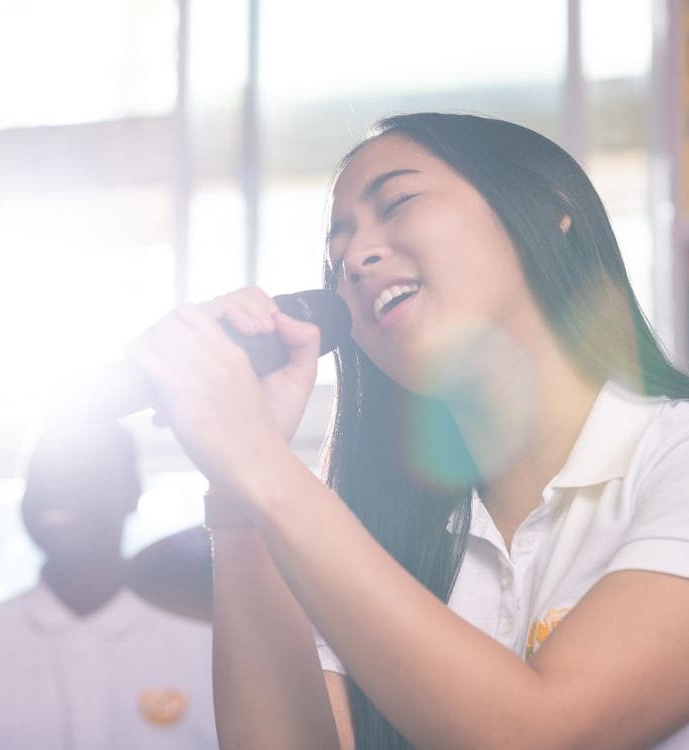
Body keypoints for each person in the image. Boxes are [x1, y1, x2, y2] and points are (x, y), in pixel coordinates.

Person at [126, 112, 689, 749]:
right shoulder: (372, 540)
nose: (355, 260)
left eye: (398, 202)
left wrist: (262, 467)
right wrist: (236, 494)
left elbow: (545, 733)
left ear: (549, 210)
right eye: (338, 255)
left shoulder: (673, 456)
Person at [0, 417, 218, 750]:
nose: (56, 492)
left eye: (83, 475)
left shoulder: (207, 650)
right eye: (41, 478)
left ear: (132, 494)